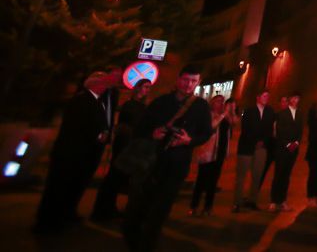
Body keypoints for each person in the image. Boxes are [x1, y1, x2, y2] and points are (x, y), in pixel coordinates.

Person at [121, 64, 212, 252]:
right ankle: (132, 236)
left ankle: (148, 243)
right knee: (141, 203)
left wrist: (189, 140)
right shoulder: (161, 102)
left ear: (198, 83)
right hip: (152, 162)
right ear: (179, 80)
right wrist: (153, 134)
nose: (189, 84)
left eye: (193, 81)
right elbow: (140, 128)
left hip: (177, 164)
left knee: (162, 208)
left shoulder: (201, 106)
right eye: (186, 80)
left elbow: (206, 133)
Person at [35, 70, 117, 234]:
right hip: (72, 153)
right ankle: (48, 223)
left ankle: (65, 215)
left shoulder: (97, 101)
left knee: (73, 187)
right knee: (58, 188)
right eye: (102, 82)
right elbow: (78, 126)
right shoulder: (82, 100)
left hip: (85, 153)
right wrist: (97, 135)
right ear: (94, 84)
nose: (105, 85)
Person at [92, 78, 152, 221]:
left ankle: (109, 208)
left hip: (133, 145)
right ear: (138, 88)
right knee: (114, 177)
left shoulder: (142, 106)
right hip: (125, 145)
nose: (147, 90)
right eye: (145, 87)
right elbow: (128, 124)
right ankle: (102, 210)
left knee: (118, 179)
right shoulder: (130, 105)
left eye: (149, 88)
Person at [189, 94, 236, 216]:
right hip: (208, 152)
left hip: (220, 152)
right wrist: (223, 115)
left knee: (213, 182)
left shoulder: (225, 116)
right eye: (218, 101)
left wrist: (232, 111)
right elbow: (212, 126)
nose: (221, 104)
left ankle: (208, 207)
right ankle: (194, 206)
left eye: (222, 101)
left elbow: (234, 123)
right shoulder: (208, 115)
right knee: (201, 180)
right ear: (212, 103)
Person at [233, 88, 275, 211]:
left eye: (268, 96)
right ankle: (237, 202)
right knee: (241, 176)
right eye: (264, 96)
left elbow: (269, 130)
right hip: (246, 147)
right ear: (258, 97)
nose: (266, 98)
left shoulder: (270, 111)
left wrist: (263, 141)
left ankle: (252, 200)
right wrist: (255, 141)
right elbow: (246, 129)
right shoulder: (249, 111)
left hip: (261, 148)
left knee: (257, 175)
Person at [270, 92, 303, 211]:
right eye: (293, 98)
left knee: (287, 176)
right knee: (278, 174)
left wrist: (297, 143)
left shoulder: (300, 114)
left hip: (293, 150)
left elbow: (300, 131)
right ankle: (274, 201)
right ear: (289, 100)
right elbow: (280, 131)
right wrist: (288, 144)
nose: (295, 100)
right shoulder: (282, 114)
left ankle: (283, 200)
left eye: (297, 98)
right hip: (282, 149)